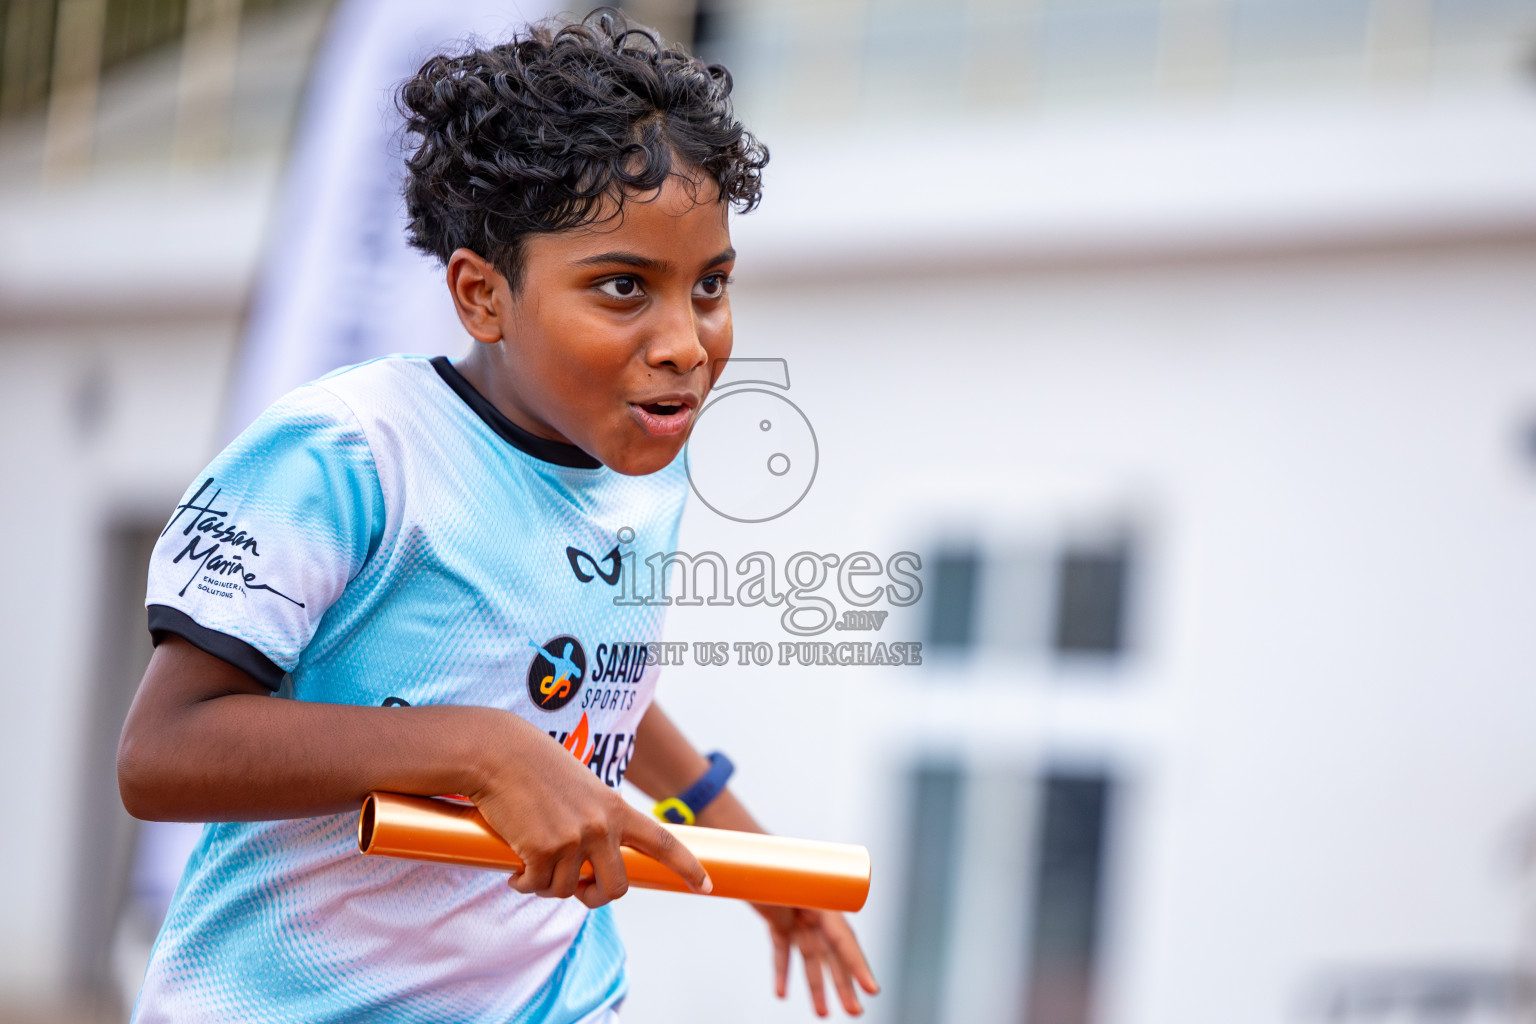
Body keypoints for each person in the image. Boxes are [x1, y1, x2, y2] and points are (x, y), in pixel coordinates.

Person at [116, 11, 879, 1022]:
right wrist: (477, 750)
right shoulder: (350, 453)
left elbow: (588, 692)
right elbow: (163, 754)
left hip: (555, 997)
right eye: (622, 288)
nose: (686, 343)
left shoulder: (647, 470)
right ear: (483, 295)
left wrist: (752, 857)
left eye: (710, 287)